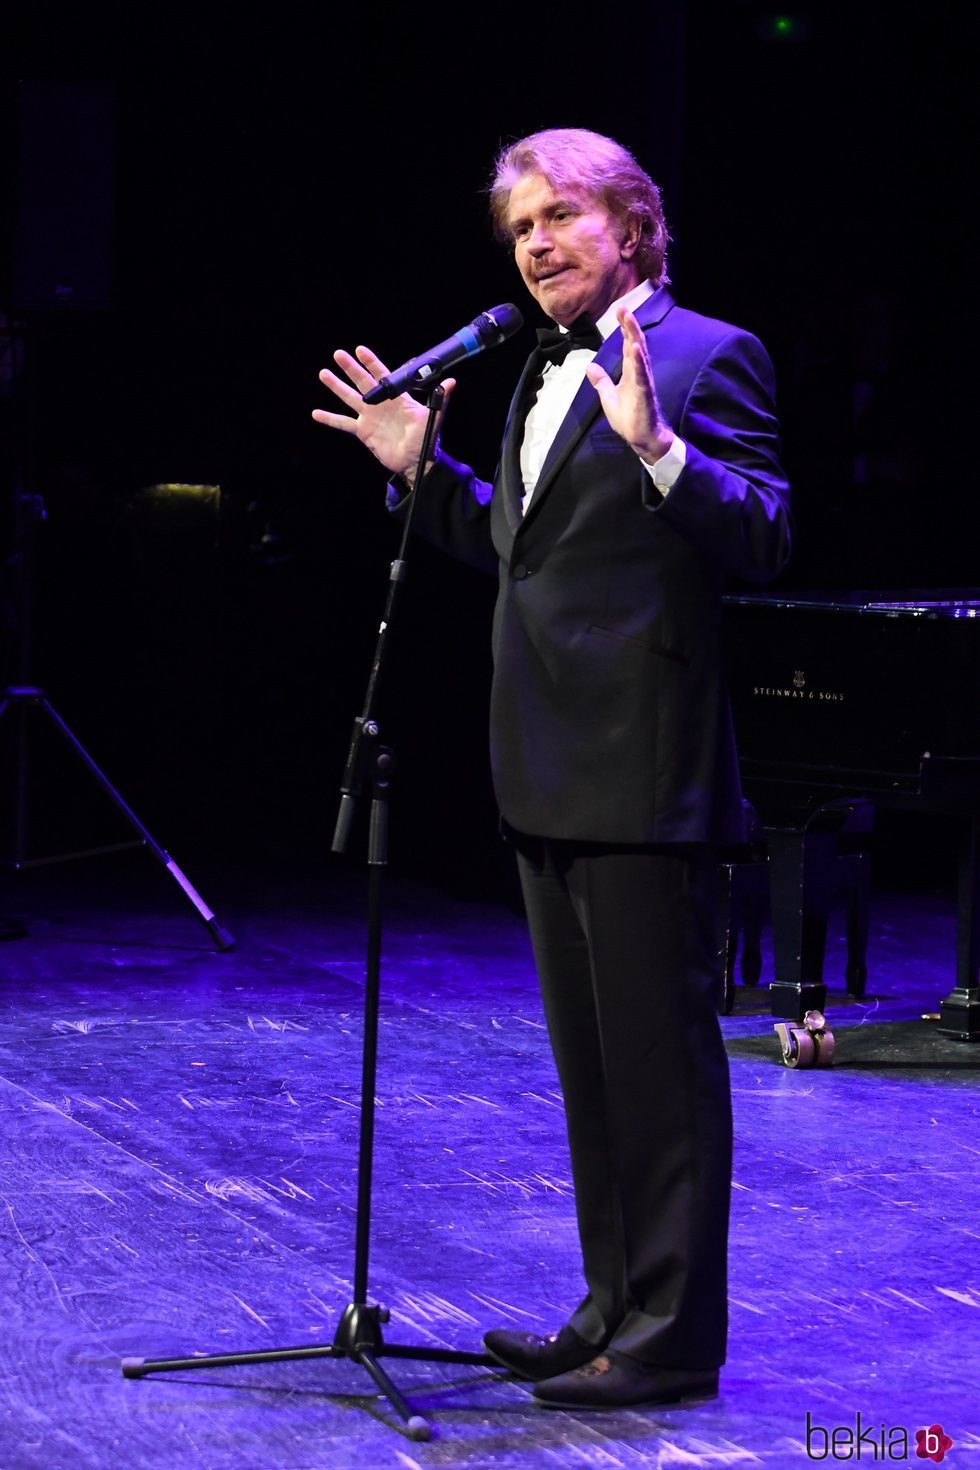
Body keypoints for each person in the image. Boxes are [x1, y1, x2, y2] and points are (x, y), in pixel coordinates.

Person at [313, 126, 791, 1410]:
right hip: (540, 762)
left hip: (645, 770)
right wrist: (429, 473)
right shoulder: (526, 376)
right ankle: (606, 1311)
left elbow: (764, 533)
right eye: (518, 226)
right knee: (592, 1071)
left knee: (660, 1071)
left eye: (560, 216)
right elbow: (526, 552)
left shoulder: (704, 358)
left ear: (631, 226)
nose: (534, 243)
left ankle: (671, 1338)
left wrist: (656, 449)